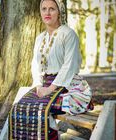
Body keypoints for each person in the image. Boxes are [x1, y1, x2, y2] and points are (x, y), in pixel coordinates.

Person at [8, 0, 93, 140]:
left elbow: (69, 66)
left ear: (59, 11)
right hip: (45, 84)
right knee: (19, 108)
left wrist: (49, 89)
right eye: (44, 9)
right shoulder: (40, 38)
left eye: (52, 9)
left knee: (41, 109)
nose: (47, 13)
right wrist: (38, 85)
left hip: (69, 87)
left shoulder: (68, 34)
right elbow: (35, 65)